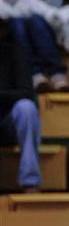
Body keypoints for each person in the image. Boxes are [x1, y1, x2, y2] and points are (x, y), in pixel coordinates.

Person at [0, 19, 42, 192]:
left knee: (26, 107)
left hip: (9, 121)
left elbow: (26, 92)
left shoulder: (14, 52)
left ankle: (30, 180)